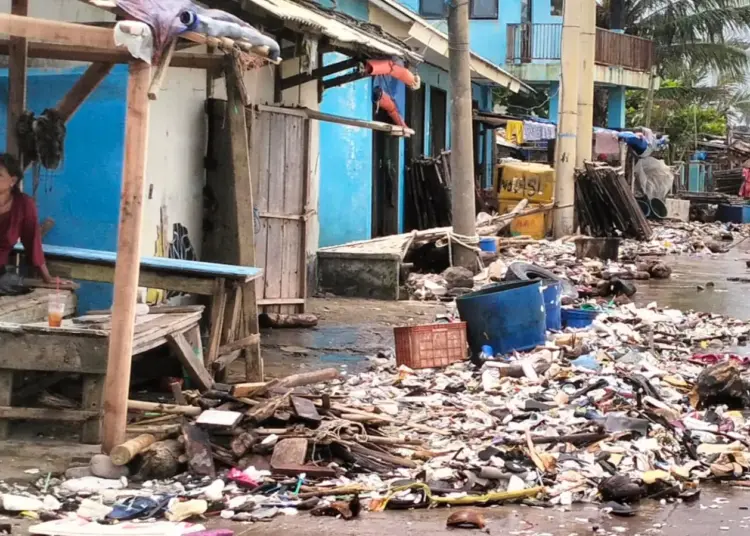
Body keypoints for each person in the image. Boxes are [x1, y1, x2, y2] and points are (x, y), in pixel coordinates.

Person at [0, 153, 57, 286]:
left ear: (12, 181)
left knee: (17, 284)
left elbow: (33, 242)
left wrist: (47, 278)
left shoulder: (24, 205)